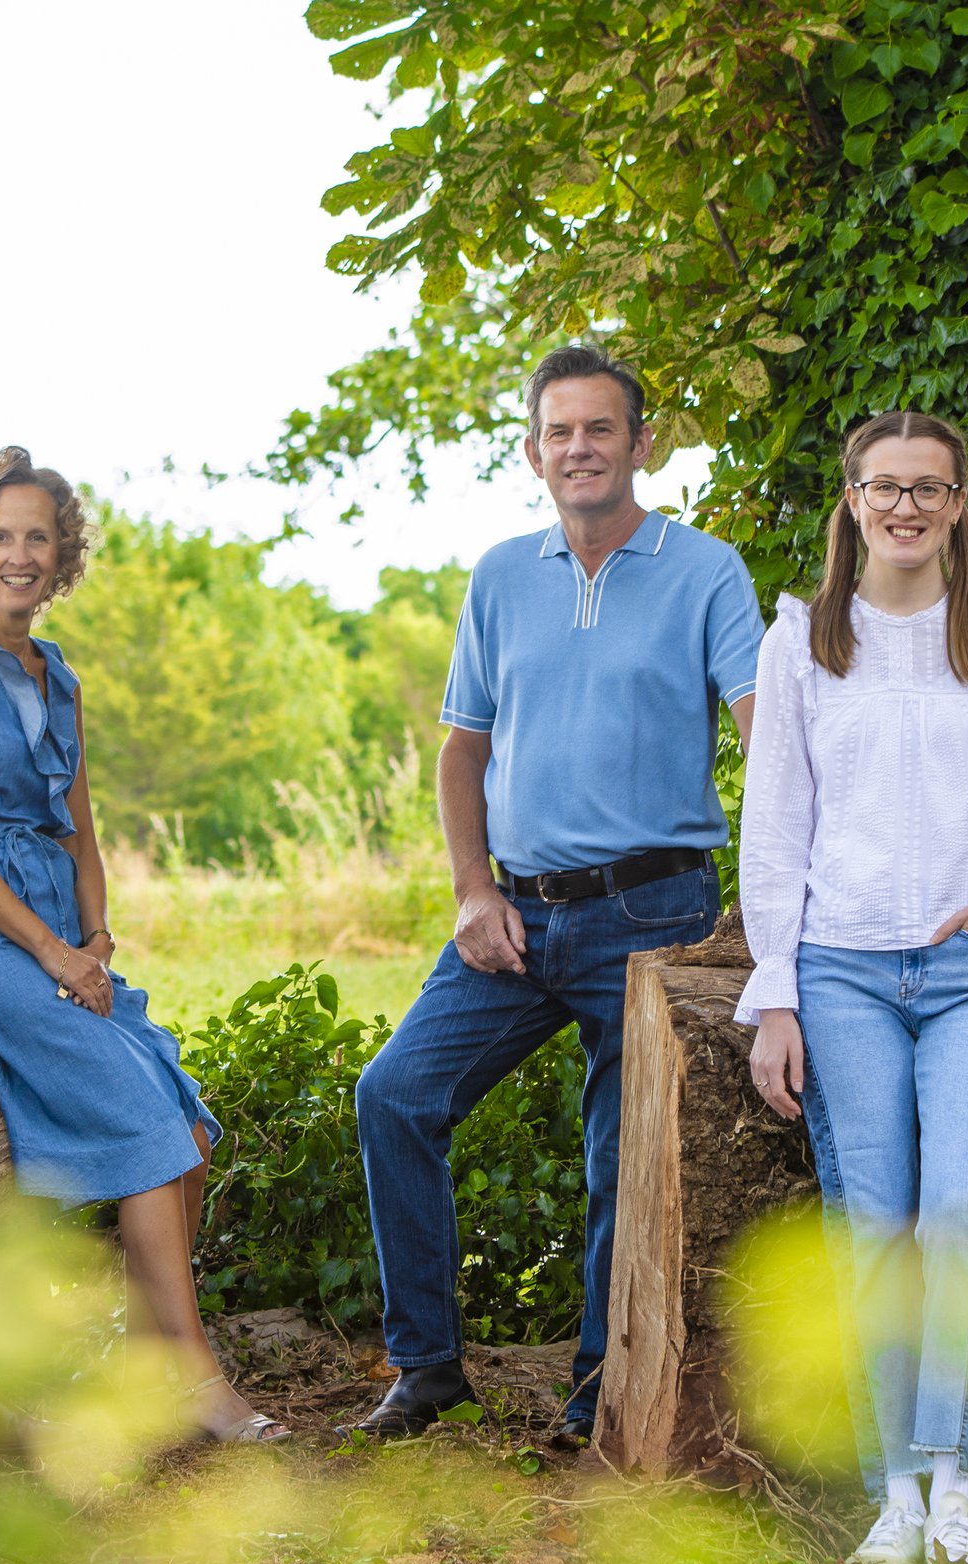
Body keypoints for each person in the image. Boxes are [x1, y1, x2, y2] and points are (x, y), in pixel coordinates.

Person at [348, 344, 766, 1444]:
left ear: (640, 441)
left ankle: (596, 1399)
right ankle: (426, 1367)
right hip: (515, 916)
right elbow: (460, 752)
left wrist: (779, 905)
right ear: (533, 449)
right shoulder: (501, 573)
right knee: (394, 1095)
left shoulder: (706, 569)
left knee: (619, 1162)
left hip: (655, 909)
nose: (577, 448)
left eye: (599, 429)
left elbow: (766, 737)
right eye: (557, 431)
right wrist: (472, 890)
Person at [734, 411, 968, 1564]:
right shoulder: (802, 643)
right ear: (849, 500)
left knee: (955, 1223)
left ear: (955, 505)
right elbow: (774, 831)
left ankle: (958, 1493)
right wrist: (774, 991)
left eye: (928, 490)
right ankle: (893, 1497)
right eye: (884, 488)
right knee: (876, 1231)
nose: (905, 507)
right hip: (839, 968)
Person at [0, 446, 287, 1445]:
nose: (20, 553)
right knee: (146, 1132)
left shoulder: (56, 671)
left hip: (68, 939)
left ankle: (144, 1365)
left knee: (187, 1128)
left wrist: (96, 935)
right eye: (1, 535)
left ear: (60, 554)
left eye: (39, 536)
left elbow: (80, 825)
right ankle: (193, 1378)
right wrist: (49, 952)